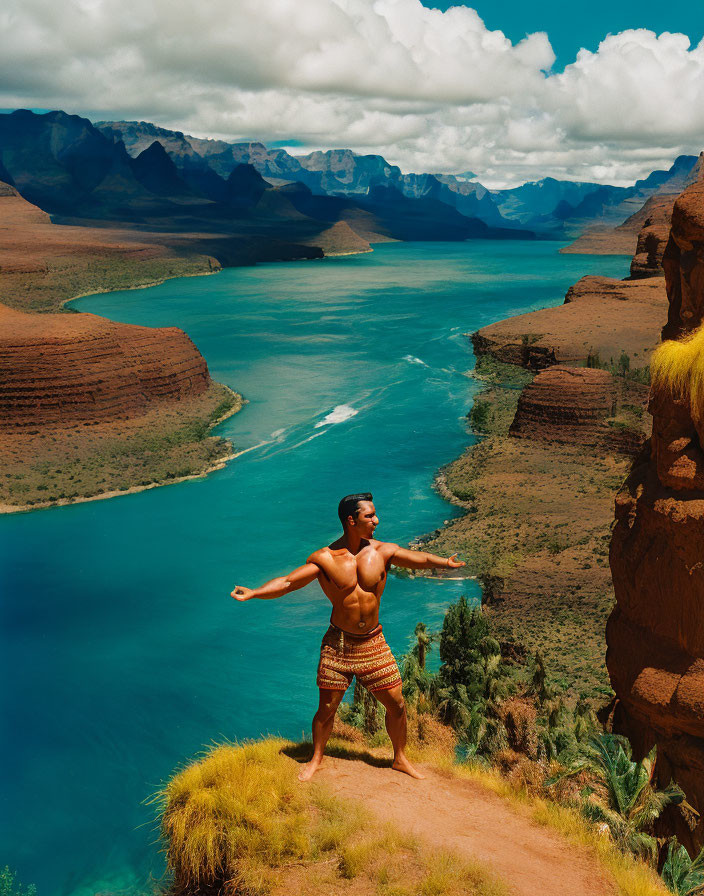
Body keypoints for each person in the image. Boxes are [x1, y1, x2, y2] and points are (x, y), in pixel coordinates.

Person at [231, 492, 465, 781]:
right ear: (350, 520)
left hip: (373, 643)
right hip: (338, 645)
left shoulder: (382, 551)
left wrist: (444, 562)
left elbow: (417, 558)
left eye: (375, 515)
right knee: (327, 709)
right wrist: (254, 593)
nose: (376, 520)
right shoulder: (325, 559)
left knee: (397, 704)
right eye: (370, 516)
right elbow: (289, 582)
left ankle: (400, 758)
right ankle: (316, 757)